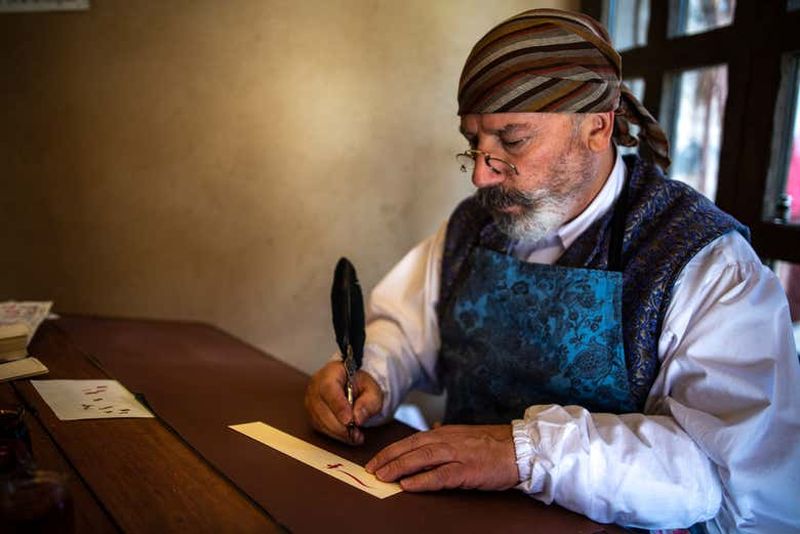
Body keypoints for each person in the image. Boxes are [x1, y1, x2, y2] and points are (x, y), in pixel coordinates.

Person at [304, 8, 800, 533]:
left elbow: (722, 476)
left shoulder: (703, 261)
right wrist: (373, 373)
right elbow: (407, 331)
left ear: (597, 126)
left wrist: (522, 452)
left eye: (512, 140)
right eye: (474, 143)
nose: (480, 176)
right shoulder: (475, 226)